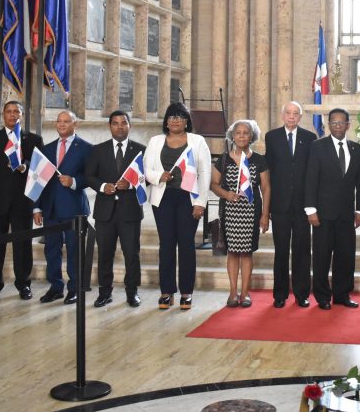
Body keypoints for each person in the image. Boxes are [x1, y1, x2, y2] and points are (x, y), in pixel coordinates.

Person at [144, 102, 212, 310]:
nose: (175, 120)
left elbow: (205, 172)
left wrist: (201, 202)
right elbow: (145, 168)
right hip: (163, 199)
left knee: (186, 245)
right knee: (166, 244)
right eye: (171, 117)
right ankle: (166, 292)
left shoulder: (197, 141)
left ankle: (186, 292)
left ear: (186, 121)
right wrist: (158, 176)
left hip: (188, 199)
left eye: (180, 117)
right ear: (166, 121)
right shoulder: (155, 141)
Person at [0, 100, 44, 302]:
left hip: (22, 203)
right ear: (3, 115)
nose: (13, 115)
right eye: (9, 111)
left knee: (22, 246)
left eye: (17, 112)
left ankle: (23, 284)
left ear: (22, 115)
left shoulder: (33, 139)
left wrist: (36, 207)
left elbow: (39, 173)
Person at [304, 108, 360, 310]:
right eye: (334, 123)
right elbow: (311, 179)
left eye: (342, 123)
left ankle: (342, 294)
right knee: (322, 256)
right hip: (322, 213)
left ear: (348, 125)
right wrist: (310, 209)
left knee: (346, 256)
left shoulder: (357, 149)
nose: (338, 126)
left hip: (347, 214)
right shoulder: (317, 147)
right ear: (328, 125)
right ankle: (322, 296)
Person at [85, 110, 146, 308]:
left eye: (123, 123)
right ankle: (104, 292)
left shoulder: (140, 150)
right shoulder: (98, 150)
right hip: (105, 211)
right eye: (115, 123)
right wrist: (103, 186)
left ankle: (132, 292)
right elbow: (89, 176)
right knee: (104, 253)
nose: (120, 127)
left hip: (130, 211)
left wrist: (132, 184)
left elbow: (148, 179)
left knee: (132, 254)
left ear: (130, 125)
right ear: (109, 126)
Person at [210, 119, 271, 308]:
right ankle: (233, 293)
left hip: (251, 212)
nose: (242, 136)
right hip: (229, 212)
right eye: (238, 133)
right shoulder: (224, 159)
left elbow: (266, 189)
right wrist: (226, 194)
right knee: (232, 253)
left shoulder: (259, 159)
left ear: (251, 136)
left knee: (246, 254)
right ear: (232, 136)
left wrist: (265, 215)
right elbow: (213, 184)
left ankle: (245, 294)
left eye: (246, 133)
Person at [35, 110, 93, 305]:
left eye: (66, 121)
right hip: (50, 208)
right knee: (51, 250)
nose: (61, 124)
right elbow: (38, 179)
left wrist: (75, 181)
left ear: (75, 124)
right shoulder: (47, 148)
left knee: (75, 251)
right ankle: (55, 287)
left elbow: (91, 177)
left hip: (74, 208)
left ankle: (74, 288)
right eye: (59, 121)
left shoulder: (86, 148)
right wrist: (36, 208)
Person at [264, 101, 316, 308]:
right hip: (280, 205)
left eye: (296, 114)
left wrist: (312, 205)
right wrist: (266, 207)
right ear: (283, 115)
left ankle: (302, 293)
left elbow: (312, 174)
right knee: (282, 250)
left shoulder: (310, 138)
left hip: (303, 206)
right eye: (288, 113)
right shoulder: (272, 136)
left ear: (300, 117)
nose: (292, 117)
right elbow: (268, 171)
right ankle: (280, 294)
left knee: (302, 250)